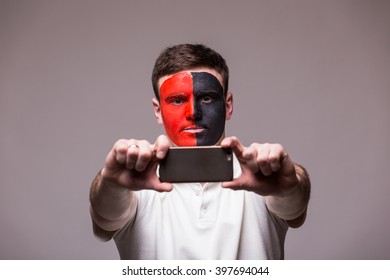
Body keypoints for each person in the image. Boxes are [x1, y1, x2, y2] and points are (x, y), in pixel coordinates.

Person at [89, 43, 311, 259]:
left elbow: (293, 208)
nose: (193, 112)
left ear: (228, 105)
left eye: (206, 98)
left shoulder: (263, 177)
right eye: (177, 100)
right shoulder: (133, 182)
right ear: (158, 111)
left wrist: (290, 184)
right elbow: (105, 222)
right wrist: (111, 182)